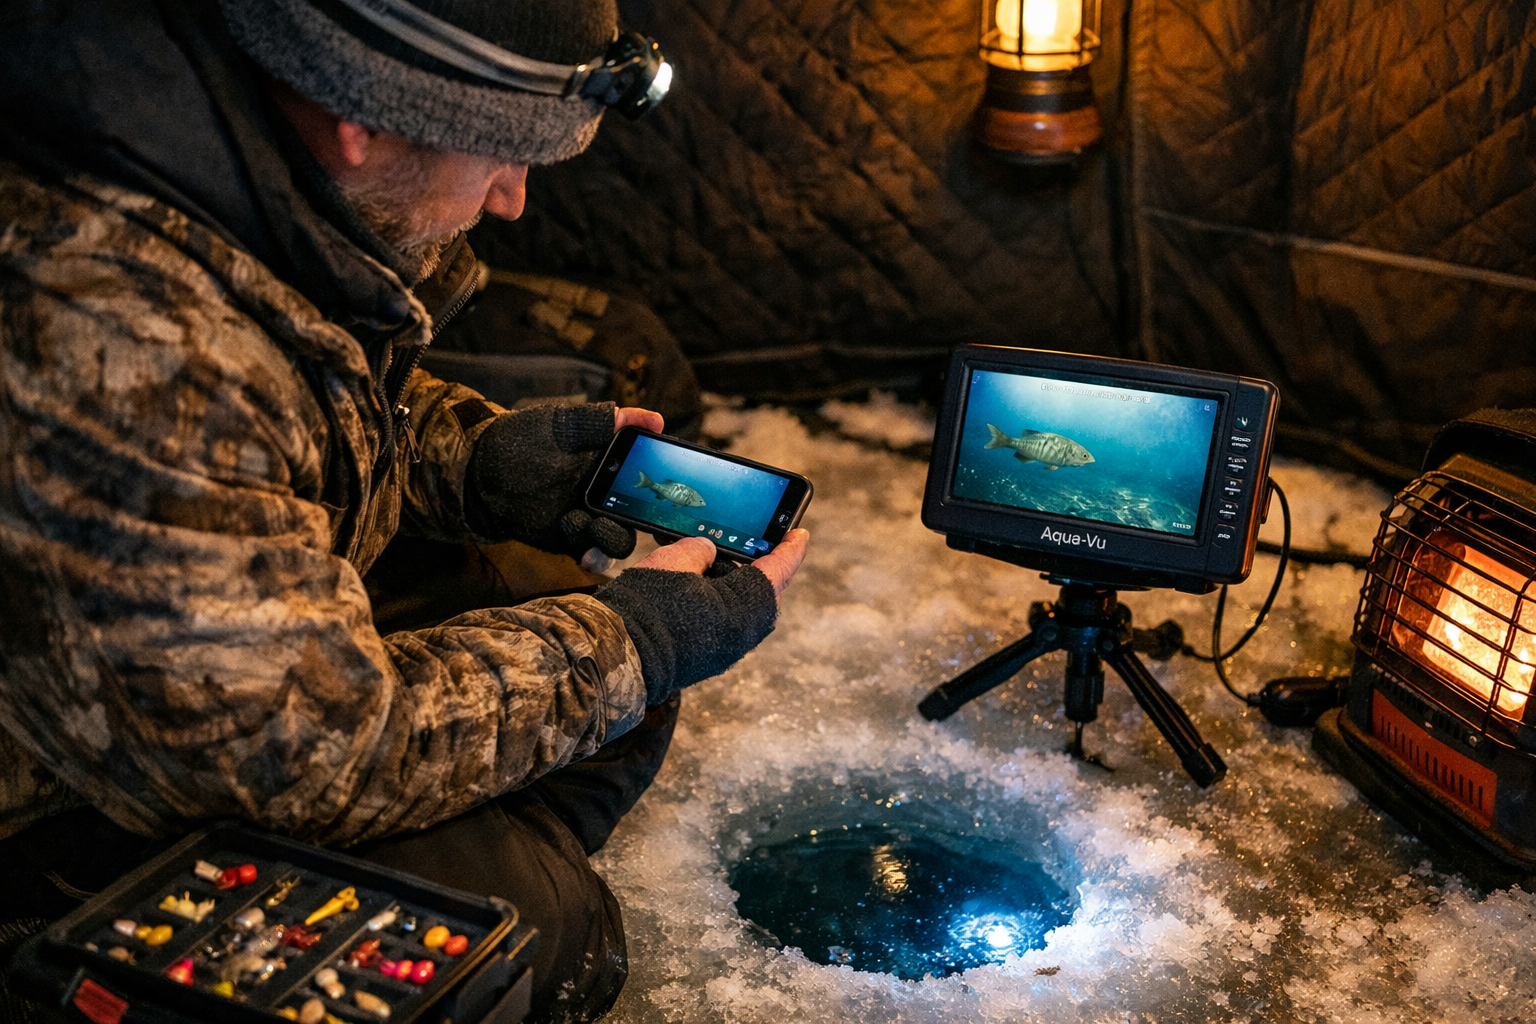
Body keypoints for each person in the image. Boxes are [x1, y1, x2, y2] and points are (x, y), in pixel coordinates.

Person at [0, 0, 807, 1019]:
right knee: (533, 930)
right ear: (364, 119)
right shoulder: (120, 333)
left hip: (183, 675)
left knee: (550, 599)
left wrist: (475, 463)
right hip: (53, 807)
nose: (512, 198)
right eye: (502, 153)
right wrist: (631, 644)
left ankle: (485, 832)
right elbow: (296, 755)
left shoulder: (252, 167)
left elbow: (297, 402)